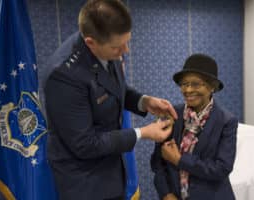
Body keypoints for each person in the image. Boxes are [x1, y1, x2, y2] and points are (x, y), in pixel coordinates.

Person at [43, 0, 178, 200]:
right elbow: (85, 144)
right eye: (118, 47)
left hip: (113, 172)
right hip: (85, 183)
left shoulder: (106, 47)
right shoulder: (63, 77)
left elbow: (113, 89)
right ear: (91, 42)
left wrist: (144, 102)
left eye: (127, 42)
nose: (125, 51)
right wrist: (143, 133)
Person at [150, 53, 238, 200]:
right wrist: (166, 194)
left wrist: (179, 159)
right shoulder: (172, 114)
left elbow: (221, 169)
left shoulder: (226, 121)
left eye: (196, 84)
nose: (188, 90)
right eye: (184, 84)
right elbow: (157, 163)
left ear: (212, 87)